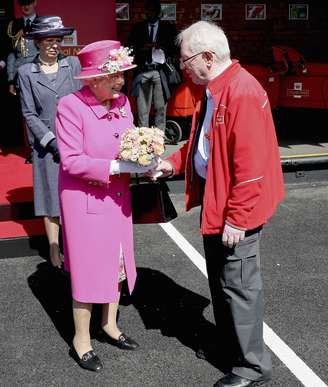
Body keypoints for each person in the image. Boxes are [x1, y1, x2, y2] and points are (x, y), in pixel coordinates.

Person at [152, 21, 285, 387]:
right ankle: (233, 349)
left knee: (239, 287)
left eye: (185, 60)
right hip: (220, 199)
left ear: (208, 57)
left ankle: (252, 366)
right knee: (224, 283)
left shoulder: (240, 92)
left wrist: (238, 219)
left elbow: (252, 168)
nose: (183, 67)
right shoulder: (217, 87)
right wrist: (174, 163)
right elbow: (203, 143)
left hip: (234, 207)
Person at [55, 40, 157, 372]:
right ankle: (81, 339)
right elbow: (71, 161)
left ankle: (109, 324)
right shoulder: (70, 106)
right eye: (114, 75)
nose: (121, 81)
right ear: (94, 78)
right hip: (85, 201)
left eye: (122, 74)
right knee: (87, 270)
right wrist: (116, 168)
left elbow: (128, 142)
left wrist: (145, 159)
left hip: (116, 198)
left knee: (117, 262)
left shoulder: (123, 101)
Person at [17, 16, 81, 268]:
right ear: (38, 43)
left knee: (76, 197)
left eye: (58, 41)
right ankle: (54, 252)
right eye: (49, 41)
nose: (55, 46)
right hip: (47, 148)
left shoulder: (73, 65)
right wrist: (51, 142)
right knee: (50, 198)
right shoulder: (26, 72)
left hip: (77, 142)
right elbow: (29, 113)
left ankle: (75, 245)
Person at [128, 0, 178, 133]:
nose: (151, 13)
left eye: (154, 10)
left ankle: (159, 138)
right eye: (149, 10)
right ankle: (143, 138)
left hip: (159, 71)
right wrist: (143, 48)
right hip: (143, 71)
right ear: (146, 12)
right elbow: (129, 48)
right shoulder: (137, 28)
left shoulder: (168, 28)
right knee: (142, 109)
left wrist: (161, 47)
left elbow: (175, 48)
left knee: (161, 107)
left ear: (159, 12)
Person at [6, 0, 39, 161]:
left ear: (35, 3)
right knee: (28, 114)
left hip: (40, 74)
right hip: (21, 77)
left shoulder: (42, 23)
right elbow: (12, 54)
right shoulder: (14, 25)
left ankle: (46, 146)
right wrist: (11, 79)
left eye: (29, 2)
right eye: (23, 3)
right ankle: (33, 150)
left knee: (44, 112)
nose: (26, 6)